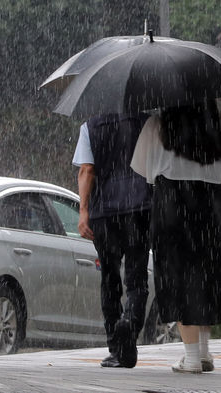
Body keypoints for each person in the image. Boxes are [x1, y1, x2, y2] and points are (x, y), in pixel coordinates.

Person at [131, 101, 221, 373]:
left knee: (177, 274)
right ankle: (203, 351)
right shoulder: (216, 129)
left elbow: (142, 169)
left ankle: (190, 358)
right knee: (205, 273)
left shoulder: (157, 125)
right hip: (211, 204)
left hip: (172, 204)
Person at [72, 113, 152, 368]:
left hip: (105, 213)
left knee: (109, 279)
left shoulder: (91, 125)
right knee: (137, 279)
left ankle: (116, 347)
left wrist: (83, 211)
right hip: (140, 208)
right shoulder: (148, 122)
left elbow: (87, 169)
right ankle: (129, 322)